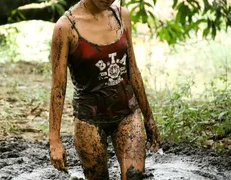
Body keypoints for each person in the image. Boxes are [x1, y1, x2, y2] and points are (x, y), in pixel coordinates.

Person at [48, 0, 161, 179]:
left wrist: (149, 118)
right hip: (89, 120)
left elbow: (133, 70)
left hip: (127, 114)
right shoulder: (66, 27)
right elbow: (58, 88)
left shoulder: (121, 15)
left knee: (134, 177)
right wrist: (54, 139)